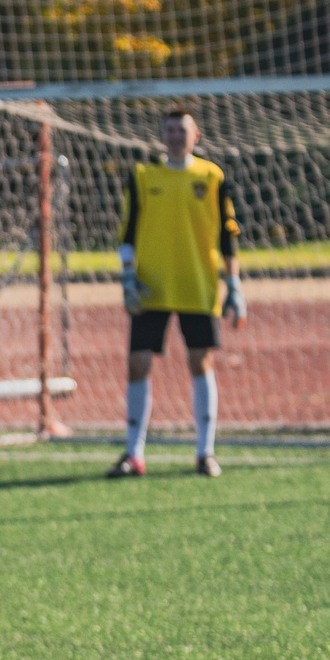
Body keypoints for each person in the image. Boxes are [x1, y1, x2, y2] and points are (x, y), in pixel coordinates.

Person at [111, 109, 243, 478]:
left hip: (197, 284)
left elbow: (228, 233)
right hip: (150, 286)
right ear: (161, 135)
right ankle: (134, 454)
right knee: (138, 362)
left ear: (196, 135)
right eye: (169, 130)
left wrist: (234, 285)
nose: (174, 136)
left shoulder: (212, 176)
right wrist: (127, 274)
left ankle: (205, 453)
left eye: (181, 130)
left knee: (200, 361)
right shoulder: (143, 175)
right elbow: (127, 230)